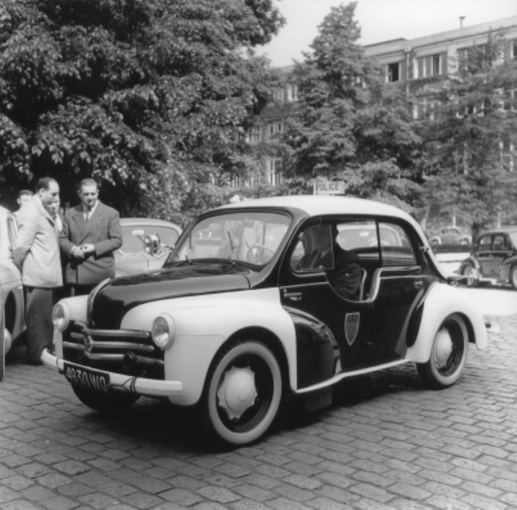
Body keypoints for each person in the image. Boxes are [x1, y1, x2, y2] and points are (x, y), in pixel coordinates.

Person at [12, 178, 62, 365]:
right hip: (38, 275)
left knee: (43, 319)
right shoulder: (32, 211)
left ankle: (41, 353)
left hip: (43, 275)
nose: (56, 198)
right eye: (53, 194)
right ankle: (37, 356)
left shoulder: (39, 208)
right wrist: (22, 268)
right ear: (41, 192)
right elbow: (20, 247)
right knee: (38, 320)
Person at [59, 178, 122, 295]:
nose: (90, 197)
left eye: (93, 194)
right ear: (79, 194)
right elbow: (62, 238)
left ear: (97, 193)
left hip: (100, 272)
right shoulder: (70, 213)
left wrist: (94, 247)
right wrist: (72, 249)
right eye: (86, 194)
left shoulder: (110, 213)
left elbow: (117, 240)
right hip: (76, 272)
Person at [300, 224, 362, 300]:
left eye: (323, 232)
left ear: (334, 234)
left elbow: (344, 292)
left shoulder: (347, 259)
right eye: (315, 232)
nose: (318, 236)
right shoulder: (309, 257)